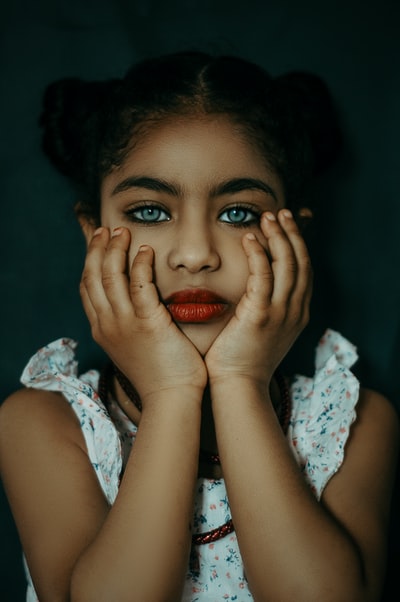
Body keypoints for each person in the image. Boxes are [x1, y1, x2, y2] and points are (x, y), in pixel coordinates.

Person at [0, 50, 398, 602]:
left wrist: (239, 381)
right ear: (92, 232)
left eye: (238, 213)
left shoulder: (352, 425)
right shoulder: (44, 424)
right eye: (149, 212)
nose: (194, 255)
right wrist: (170, 392)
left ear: (295, 238)